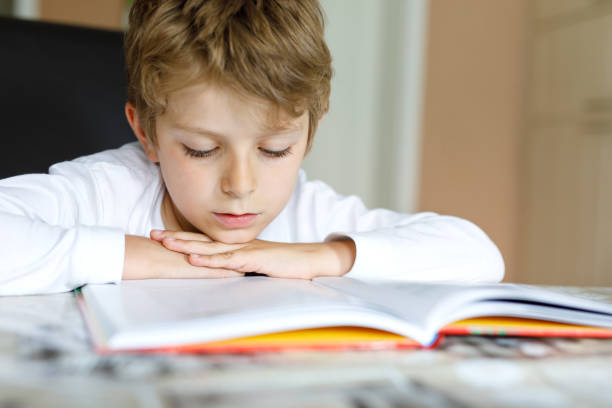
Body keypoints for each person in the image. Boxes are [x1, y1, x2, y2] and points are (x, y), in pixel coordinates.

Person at [0, 0, 504, 296]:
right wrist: (158, 259)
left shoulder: (310, 213)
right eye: (200, 149)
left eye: (275, 149)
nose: (240, 186)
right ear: (147, 133)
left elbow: (476, 254)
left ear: (310, 133)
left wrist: (319, 258)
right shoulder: (105, 192)